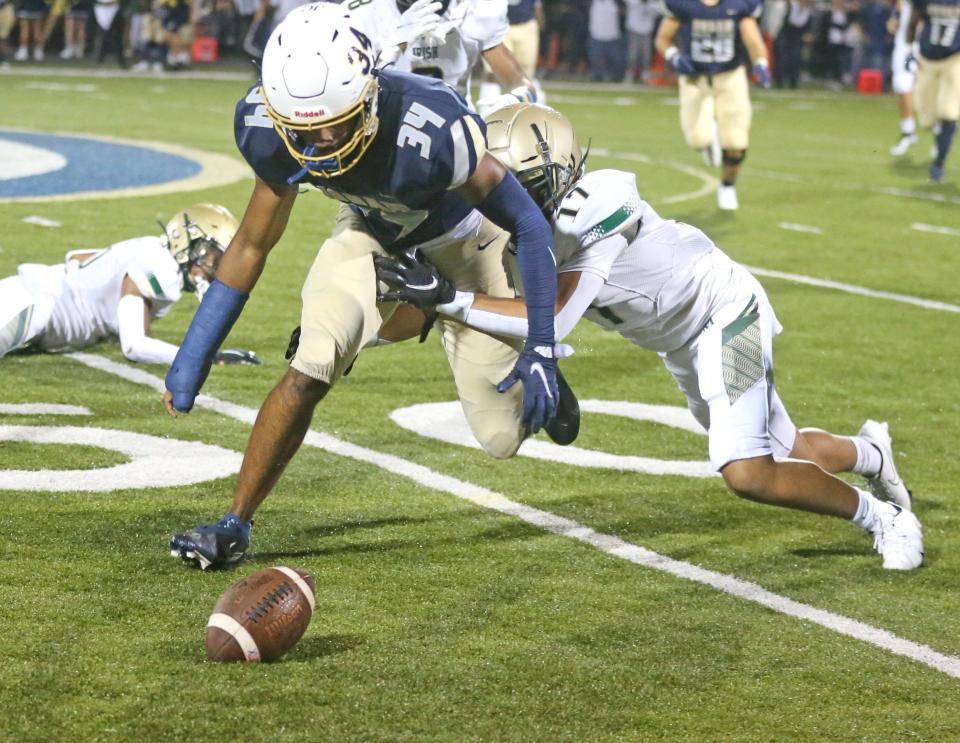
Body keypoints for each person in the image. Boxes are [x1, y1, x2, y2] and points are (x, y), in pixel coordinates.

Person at [376, 103, 925, 571]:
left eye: (527, 185)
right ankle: (870, 453)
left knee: (747, 470)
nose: (509, 200)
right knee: (785, 451)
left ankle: (886, 520)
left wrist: (448, 297)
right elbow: (509, 313)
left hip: (725, 312)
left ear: (561, 169)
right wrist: (366, 334)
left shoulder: (595, 201)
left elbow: (554, 318)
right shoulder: (520, 244)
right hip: (682, 340)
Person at [165, 3, 566, 570]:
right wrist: (195, 351)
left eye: (338, 120)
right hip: (370, 232)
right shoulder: (267, 127)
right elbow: (252, 243)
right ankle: (234, 523)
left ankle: (437, 308)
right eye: (307, 129)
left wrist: (542, 342)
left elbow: (525, 222)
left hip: (461, 243)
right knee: (313, 361)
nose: (325, 140)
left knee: (500, 437)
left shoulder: (433, 127)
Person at [0, 204, 260, 366]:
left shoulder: (152, 250)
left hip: (41, 295)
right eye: (212, 256)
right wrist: (203, 358)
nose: (214, 268)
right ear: (186, 241)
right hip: (36, 302)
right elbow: (134, 345)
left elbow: (76, 257)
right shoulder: (160, 268)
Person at [654, 0, 771, 211]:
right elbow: (663, 39)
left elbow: (753, 40)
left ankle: (727, 186)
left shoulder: (739, 4)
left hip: (729, 76)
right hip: (694, 79)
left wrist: (760, 63)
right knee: (697, 139)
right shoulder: (683, 4)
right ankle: (708, 141)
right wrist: (674, 56)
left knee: (736, 142)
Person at [344, 0, 540, 116]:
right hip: (389, 131)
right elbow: (348, 91)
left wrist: (520, 96)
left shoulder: (471, 9)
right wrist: (396, 45)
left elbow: (521, 84)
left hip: (457, 131)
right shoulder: (366, 11)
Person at [908, 0, 960, 182]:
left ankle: (938, 164)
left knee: (948, 112)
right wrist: (910, 49)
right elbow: (914, 20)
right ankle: (942, 130)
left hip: (954, 58)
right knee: (927, 120)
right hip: (927, 59)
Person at [889, 0, 919, 155]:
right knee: (902, 87)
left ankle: (908, 132)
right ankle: (908, 130)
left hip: (912, 48)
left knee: (904, 85)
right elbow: (894, 21)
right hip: (904, 47)